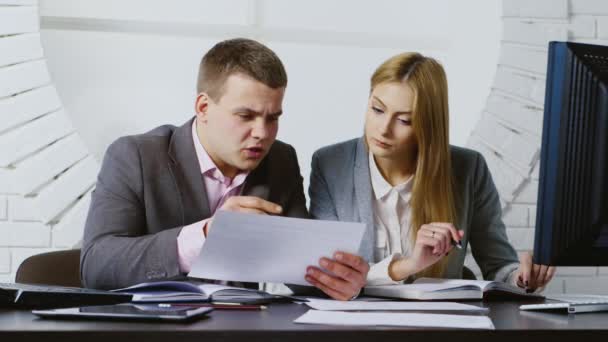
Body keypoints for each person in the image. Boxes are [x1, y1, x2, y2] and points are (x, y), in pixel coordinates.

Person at [81, 38, 368, 300]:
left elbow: (301, 268)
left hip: (244, 328)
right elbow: (97, 265)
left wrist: (336, 279)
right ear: (203, 107)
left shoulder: (280, 160)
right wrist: (206, 235)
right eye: (246, 116)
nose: (262, 133)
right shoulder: (136, 156)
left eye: (272, 118)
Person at [307, 52, 554, 291]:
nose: (383, 129)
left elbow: (499, 265)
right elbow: (328, 271)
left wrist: (523, 277)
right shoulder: (330, 164)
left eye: (404, 121)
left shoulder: (469, 169)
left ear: (427, 125)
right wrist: (407, 266)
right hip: (352, 325)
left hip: (439, 325)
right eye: (377, 109)